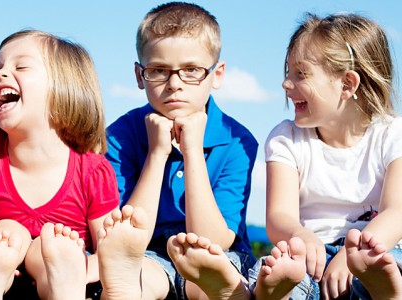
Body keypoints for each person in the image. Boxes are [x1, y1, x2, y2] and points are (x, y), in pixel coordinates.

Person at [103, 2, 258, 299]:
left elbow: (213, 239)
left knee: (207, 278)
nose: (174, 84)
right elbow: (130, 235)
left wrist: (193, 152)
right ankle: (126, 289)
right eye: (159, 70)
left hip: (214, 255)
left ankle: (226, 291)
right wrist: (157, 154)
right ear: (139, 75)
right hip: (147, 253)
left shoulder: (237, 141)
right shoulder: (120, 136)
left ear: (217, 74)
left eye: (191, 70)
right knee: (140, 278)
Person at [0, 29, 119, 299]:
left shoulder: (93, 170)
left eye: (20, 66)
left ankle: (64, 277)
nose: (0, 74)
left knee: (53, 247)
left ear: (65, 88)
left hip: (58, 272)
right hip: (0, 266)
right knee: (6, 233)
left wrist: (83, 268)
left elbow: (108, 248)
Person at [248, 12, 402, 300]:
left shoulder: (393, 134)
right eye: (287, 72)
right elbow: (279, 216)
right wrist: (300, 236)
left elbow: (397, 211)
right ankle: (278, 293)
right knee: (279, 271)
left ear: (347, 85)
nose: (285, 84)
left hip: (374, 250)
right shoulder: (286, 138)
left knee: (389, 264)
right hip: (309, 254)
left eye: (300, 74)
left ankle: (386, 291)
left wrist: (354, 254)